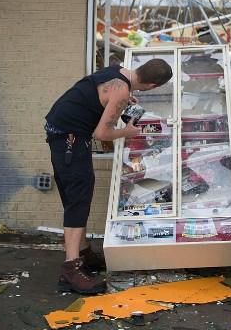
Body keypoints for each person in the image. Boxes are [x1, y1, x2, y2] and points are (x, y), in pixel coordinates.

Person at [44, 58, 172, 294]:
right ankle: (70, 271)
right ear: (153, 85)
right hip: (69, 138)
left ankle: (83, 255)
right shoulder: (121, 91)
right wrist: (128, 131)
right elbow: (102, 133)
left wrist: (120, 103)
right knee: (79, 197)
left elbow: (100, 96)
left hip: (60, 130)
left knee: (76, 195)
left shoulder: (117, 72)